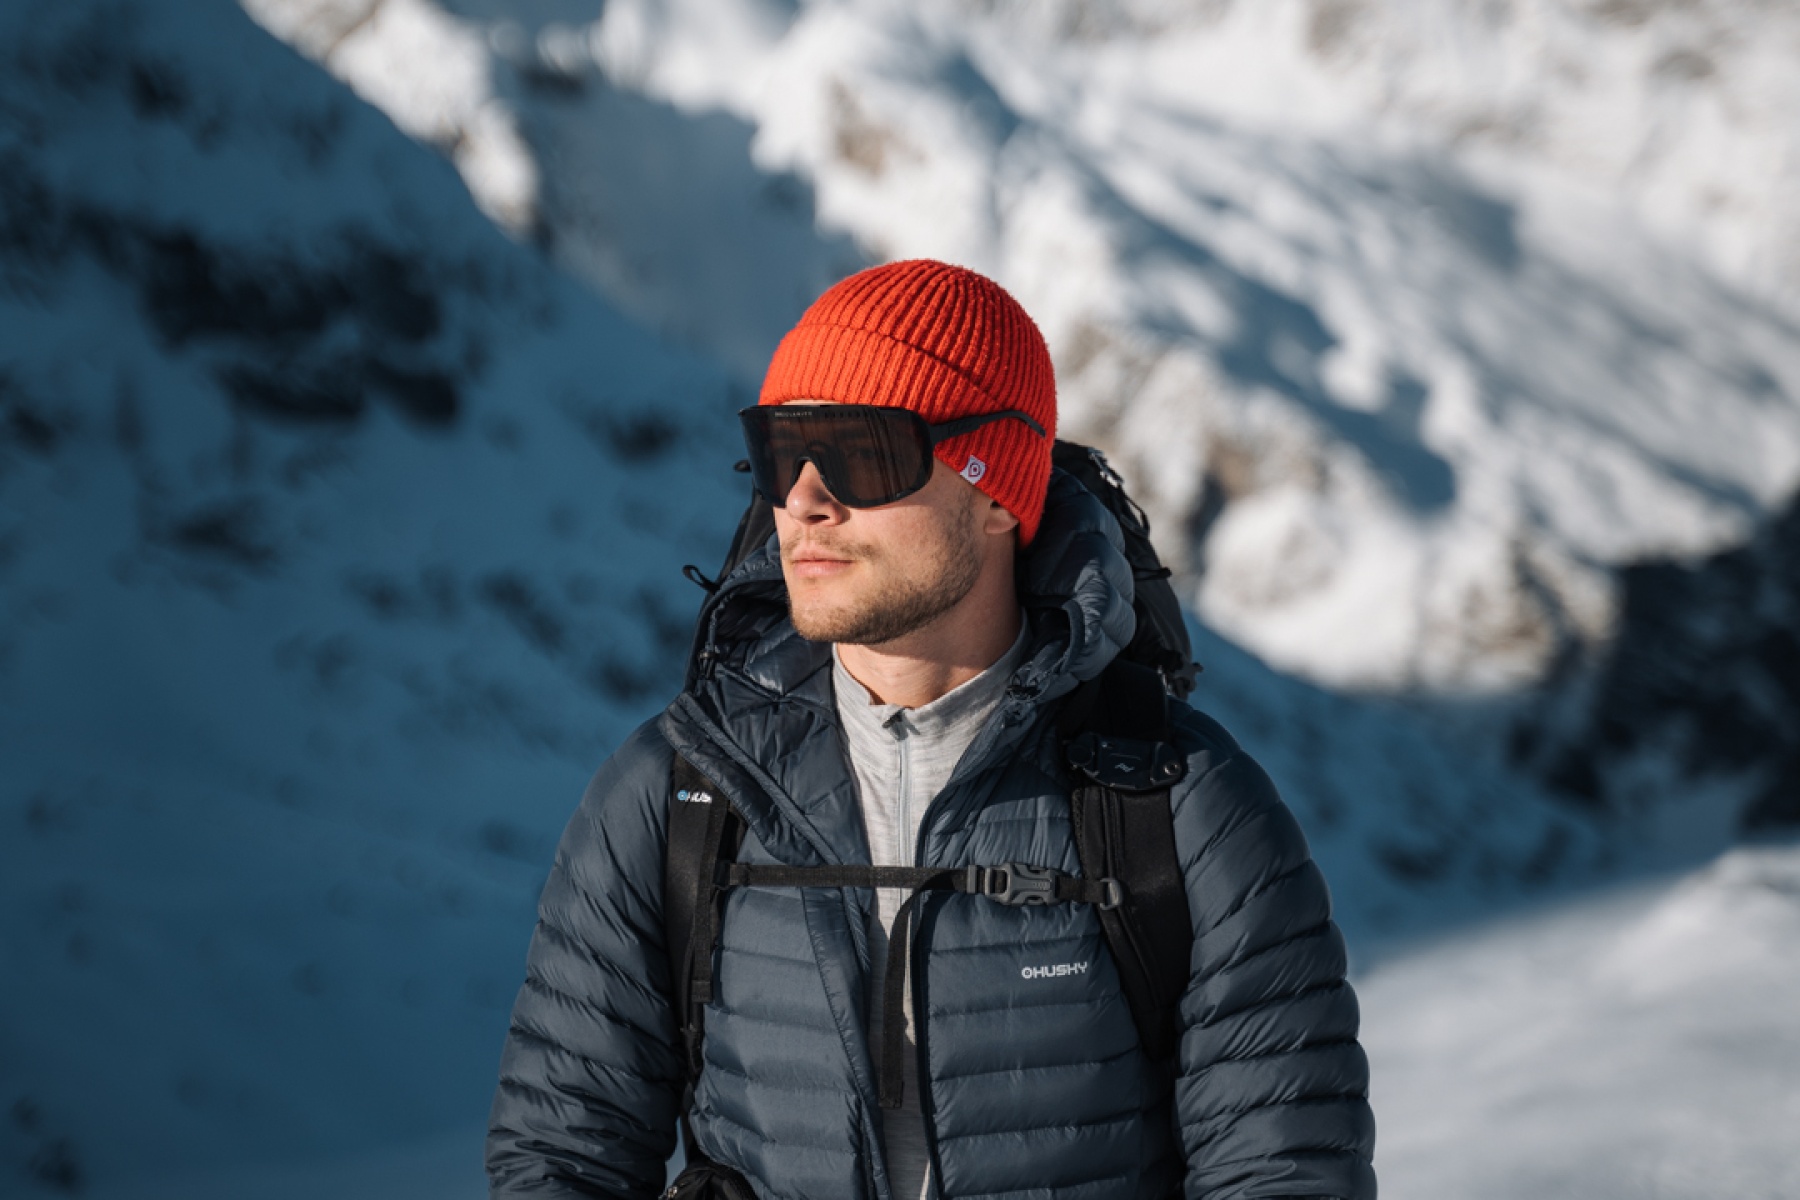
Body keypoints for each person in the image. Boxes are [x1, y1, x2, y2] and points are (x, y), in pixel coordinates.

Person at [486, 260, 1376, 1199]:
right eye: (782, 453)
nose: (804, 501)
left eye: (865, 453)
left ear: (998, 491)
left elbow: (1282, 1172)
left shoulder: (1181, 808)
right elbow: (562, 1157)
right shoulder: (680, 793)